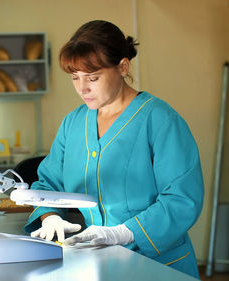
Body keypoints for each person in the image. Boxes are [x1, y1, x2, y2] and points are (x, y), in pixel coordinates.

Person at [24, 20, 204, 279]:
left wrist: (123, 233)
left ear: (122, 66)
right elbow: (48, 184)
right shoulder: (72, 124)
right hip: (97, 263)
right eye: (75, 77)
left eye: (93, 77)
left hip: (157, 264)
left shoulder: (160, 120)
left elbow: (182, 198)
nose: (82, 88)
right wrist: (50, 216)